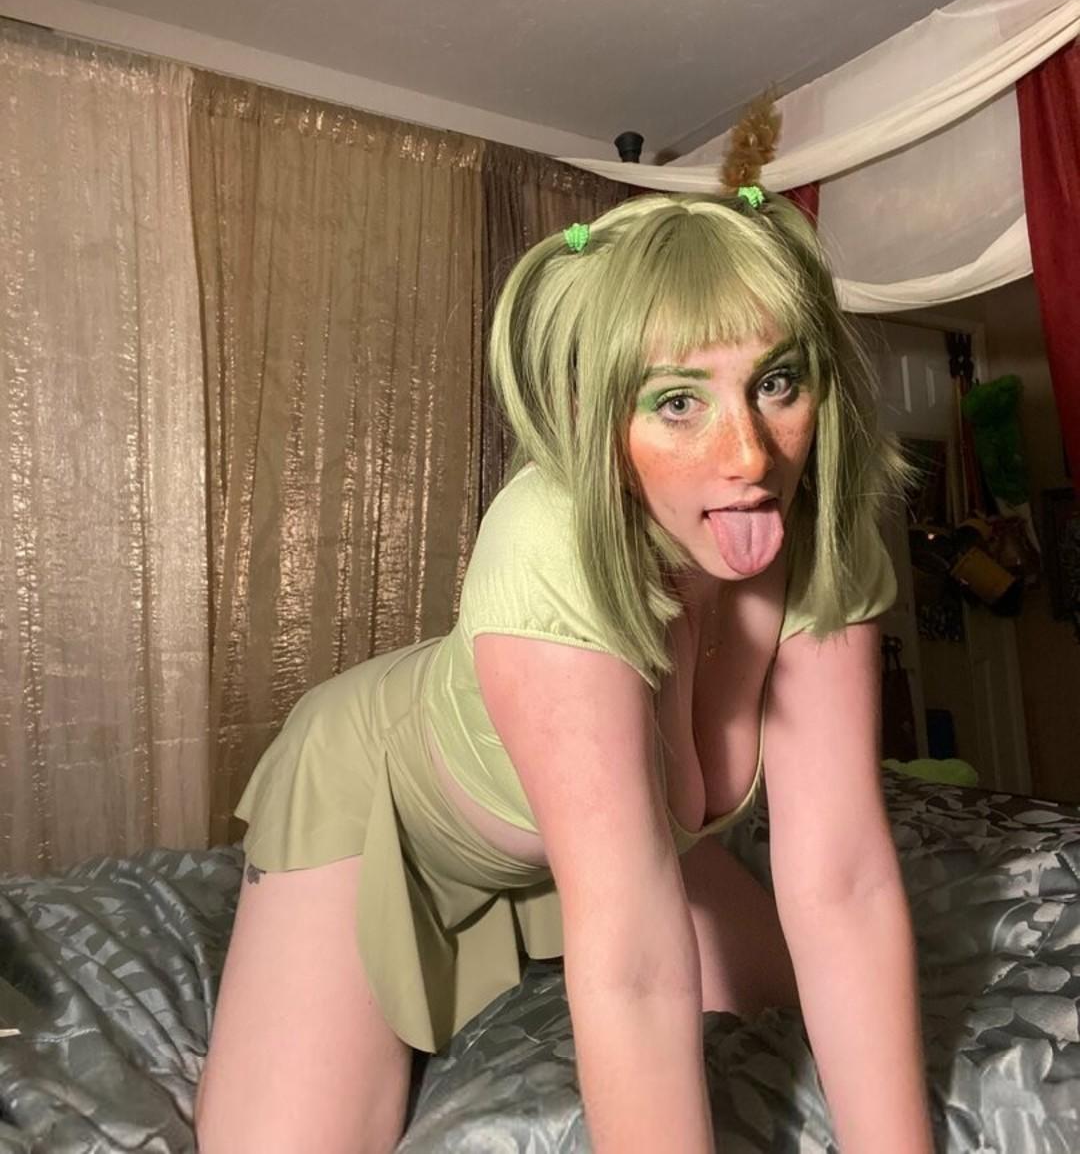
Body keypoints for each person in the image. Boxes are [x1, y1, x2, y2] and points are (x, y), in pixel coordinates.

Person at [196, 108, 935, 1154]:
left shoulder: (823, 527)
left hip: (605, 838)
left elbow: (845, 882)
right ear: (595, 414)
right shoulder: (549, 538)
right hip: (383, 805)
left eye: (776, 383)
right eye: (677, 402)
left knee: (791, 1018)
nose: (750, 455)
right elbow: (631, 960)